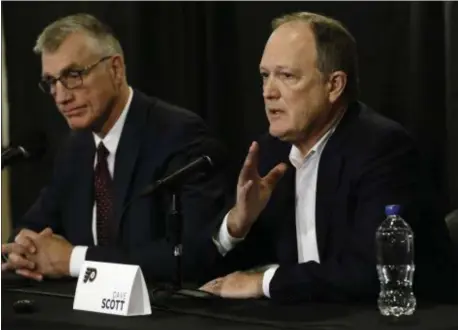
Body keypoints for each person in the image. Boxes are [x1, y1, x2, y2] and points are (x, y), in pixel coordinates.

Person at [201, 12, 457, 303]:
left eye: (287, 76)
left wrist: (264, 282)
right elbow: (223, 273)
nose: (269, 92)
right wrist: (238, 224)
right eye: (264, 76)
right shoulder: (269, 153)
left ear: (334, 85)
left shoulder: (382, 149)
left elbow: (372, 271)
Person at [1, 13, 228, 285]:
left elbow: (189, 254)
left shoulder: (178, 134)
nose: (61, 97)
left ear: (116, 70)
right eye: (51, 82)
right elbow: (33, 225)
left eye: (73, 75)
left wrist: (74, 260)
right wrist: (22, 249)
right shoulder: (75, 149)